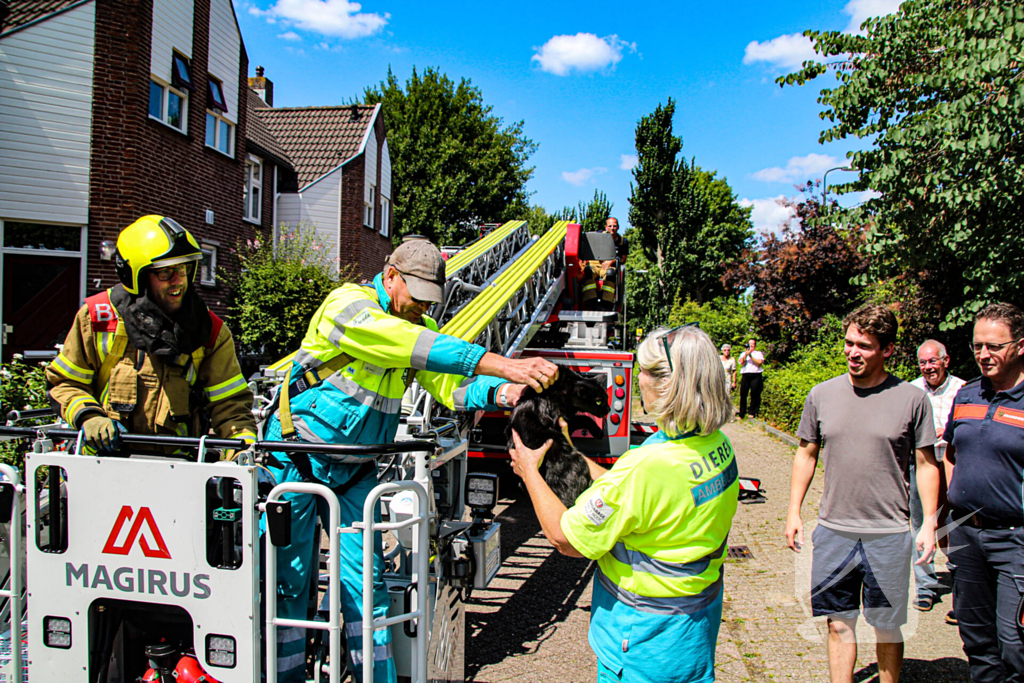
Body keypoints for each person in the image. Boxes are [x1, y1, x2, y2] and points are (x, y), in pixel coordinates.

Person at [264, 238, 559, 683]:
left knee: (368, 589)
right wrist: (502, 365)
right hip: (298, 459)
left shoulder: (410, 327)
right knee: (290, 580)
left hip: (354, 468)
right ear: (390, 277)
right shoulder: (348, 305)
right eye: (416, 298)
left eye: (429, 302)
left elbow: (449, 387)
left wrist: (503, 393)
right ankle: (282, 678)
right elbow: (409, 343)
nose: (421, 309)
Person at [510, 324, 738, 683]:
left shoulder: (649, 466)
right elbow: (626, 490)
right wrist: (568, 449)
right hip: (694, 629)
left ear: (667, 383)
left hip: (644, 642)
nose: (638, 379)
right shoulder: (715, 446)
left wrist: (529, 472)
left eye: (643, 371)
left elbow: (564, 538)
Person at [785, 304, 940, 683]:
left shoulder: (911, 399)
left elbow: (926, 464)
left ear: (887, 350)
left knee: (886, 625)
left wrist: (929, 524)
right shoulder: (822, 395)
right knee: (838, 622)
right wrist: (793, 511)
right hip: (834, 529)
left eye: (864, 346)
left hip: (887, 533)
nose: (852, 352)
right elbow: (806, 453)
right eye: (849, 343)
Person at [46, 215, 256, 452]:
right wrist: (90, 417)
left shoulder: (210, 331)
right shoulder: (97, 319)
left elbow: (230, 407)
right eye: (165, 272)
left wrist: (241, 451)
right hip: (101, 468)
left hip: (179, 471)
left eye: (184, 269)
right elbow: (65, 382)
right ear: (136, 276)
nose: (178, 281)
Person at [943, 302, 1024, 683]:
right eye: (978, 346)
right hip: (966, 534)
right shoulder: (968, 394)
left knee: (1014, 641)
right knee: (975, 637)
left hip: (1015, 538)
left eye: (994, 346)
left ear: (1020, 346)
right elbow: (951, 454)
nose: (983, 355)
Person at [909, 340, 964, 615]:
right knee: (921, 524)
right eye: (923, 362)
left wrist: (951, 430)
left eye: (933, 361)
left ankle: (962, 594)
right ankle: (926, 588)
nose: (928, 367)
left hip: (953, 463)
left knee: (955, 526)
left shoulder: (962, 390)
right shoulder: (911, 390)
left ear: (946, 361)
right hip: (920, 464)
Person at [737, 338, 764, 419]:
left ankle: (752, 412)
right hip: (746, 374)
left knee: (754, 394)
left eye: (752, 345)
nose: (751, 347)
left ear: (755, 346)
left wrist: (750, 356)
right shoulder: (743, 354)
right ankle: (742, 413)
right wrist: (746, 354)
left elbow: (759, 363)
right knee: (743, 394)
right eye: (749, 345)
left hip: (755, 375)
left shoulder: (758, 353)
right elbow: (742, 362)